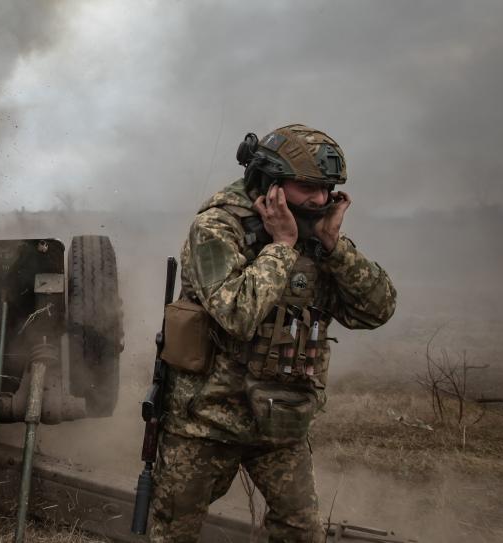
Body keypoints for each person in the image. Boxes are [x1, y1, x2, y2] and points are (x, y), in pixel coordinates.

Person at [150, 125, 397, 542]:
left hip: (280, 421)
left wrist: (335, 248)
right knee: (175, 531)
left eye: (327, 188)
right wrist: (281, 246)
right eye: (307, 187)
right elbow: (237, 314)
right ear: (270, 181)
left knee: (302, 532)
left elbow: (377, 310)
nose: (319, 199)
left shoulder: (317, 237)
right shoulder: (217, 227)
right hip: (207, 421)